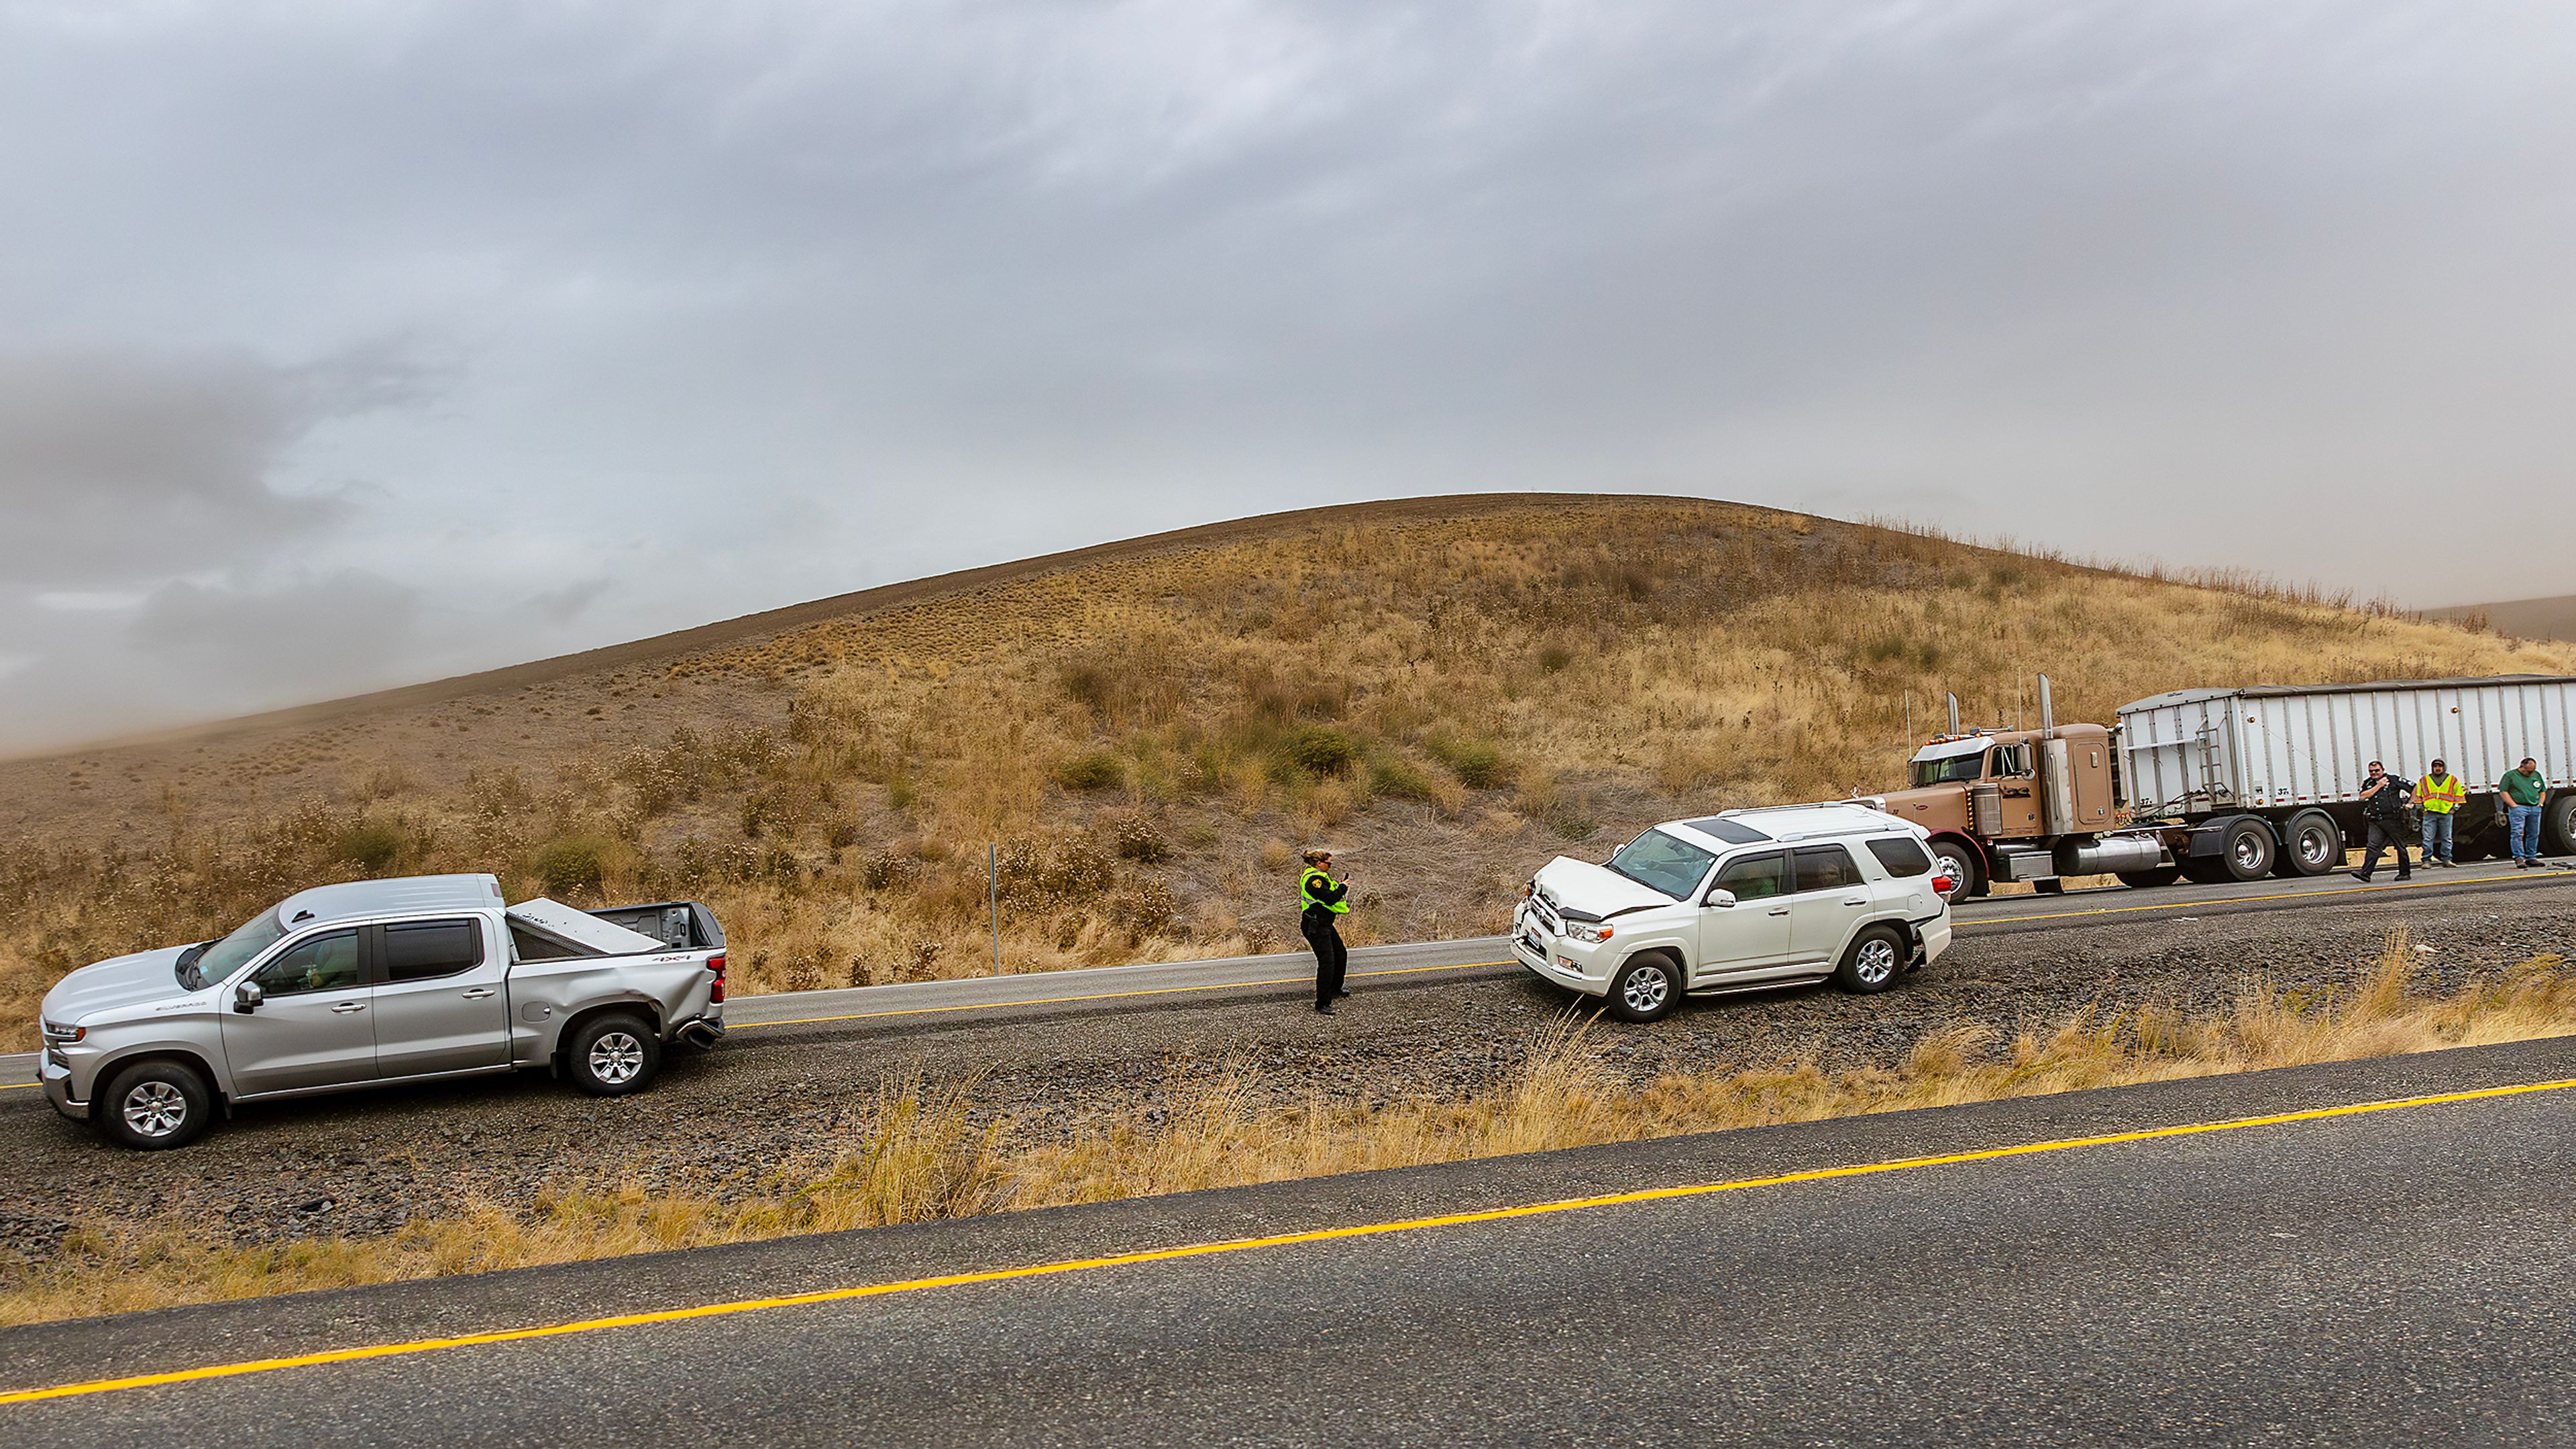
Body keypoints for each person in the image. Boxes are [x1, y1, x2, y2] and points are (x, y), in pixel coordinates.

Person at [1298, 848, 1352, 1014]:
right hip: (1316, 925)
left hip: (1325, 924)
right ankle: (1323, 1003)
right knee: (1327, 962)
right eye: (1328, 864)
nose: (1330, 866)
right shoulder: (1314, 880)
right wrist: (1343, 888)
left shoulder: (1321, 877)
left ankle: (1336, 988)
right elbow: (1329, 897)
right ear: (1318, 863)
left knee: (1340, 954)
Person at [2349, 760, 2413, 883]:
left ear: (2383, 770)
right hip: (2376, 820)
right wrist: (2378, 785)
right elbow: (2363, 796)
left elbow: (2414, 787)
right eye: (2371, 771)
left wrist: (2410, 803)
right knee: (2373, 846)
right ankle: (2366, 873)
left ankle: (2405, 873)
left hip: (2392, 819)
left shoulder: (2392, 780)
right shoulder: (2369, 783)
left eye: (2377, 770)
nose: (2374, 773)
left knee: (2400, 846)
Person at [2416, 758, 2465, 867]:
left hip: (2446, 812)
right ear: (2432, 768)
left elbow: (2459, 796)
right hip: (2430, 813)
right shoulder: (2424, 780)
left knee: (2447, 838)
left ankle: (2447, 859)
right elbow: (2418, 795)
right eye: (2435, 766)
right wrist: (2421, 809)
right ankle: (2426, 860)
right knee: (2428, 838)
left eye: (2440, 766)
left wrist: (2454, 809)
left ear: (2444, 768)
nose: (2438, 769)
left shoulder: (2452, 780)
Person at [2501, 757, 2548, 868]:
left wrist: (2540, 803)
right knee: (2518, 833)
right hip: (2519, 807)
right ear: (2521, 767)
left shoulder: (2536, 775)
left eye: (2532, 771)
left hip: (2534, 807)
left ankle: (2531, 857)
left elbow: (2542, 791)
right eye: (2528, 771)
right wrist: (2513, 805)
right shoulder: (2511, 776)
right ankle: (2519, 857)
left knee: (2534, 833)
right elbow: (2503, 791)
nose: (2530, 774)